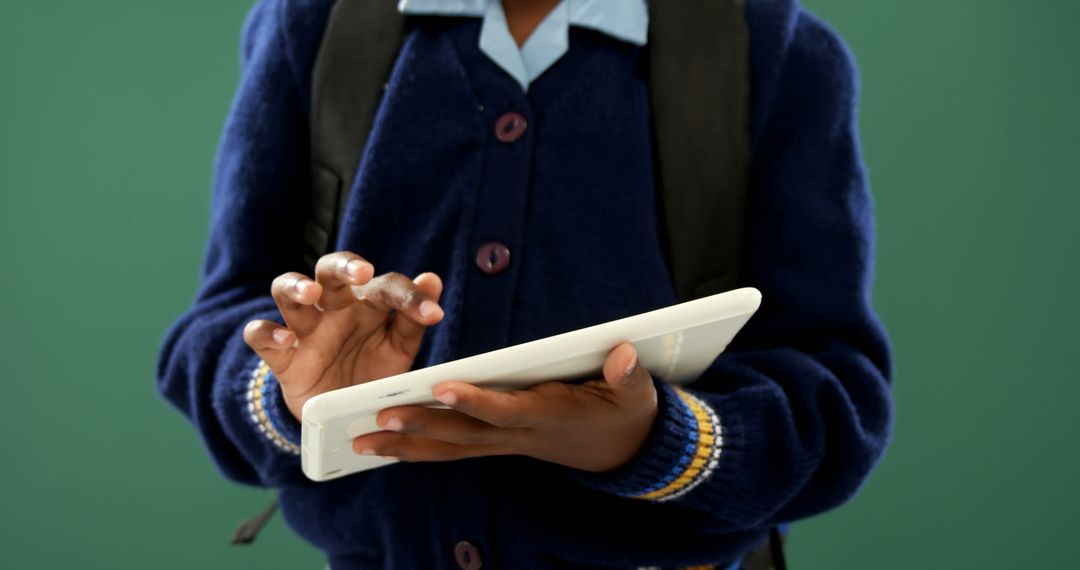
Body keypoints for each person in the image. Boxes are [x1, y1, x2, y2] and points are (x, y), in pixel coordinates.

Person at [157, 0, 893, 567]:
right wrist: (292, 390)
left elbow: (836, 404)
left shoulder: (776, 52)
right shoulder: (316, 27)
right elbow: (212, 334)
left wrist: (651, 438)